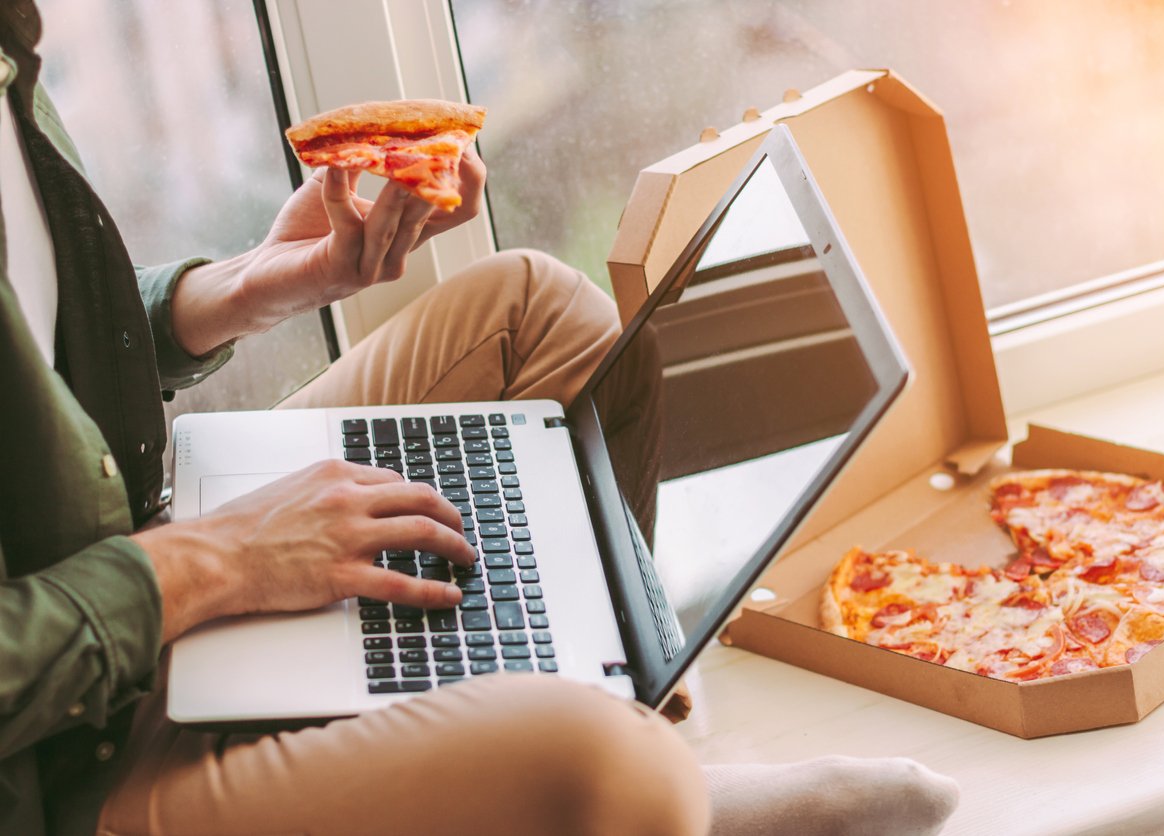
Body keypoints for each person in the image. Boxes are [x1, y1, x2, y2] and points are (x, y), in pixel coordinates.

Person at [0, 3, 960, 834]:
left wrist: (242, 288)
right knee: (621, 779)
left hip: (125, 552)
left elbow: (36, 353)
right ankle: (620, 783)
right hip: (67, 758)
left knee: (536, 312)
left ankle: (552, 690)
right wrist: (211, 563)